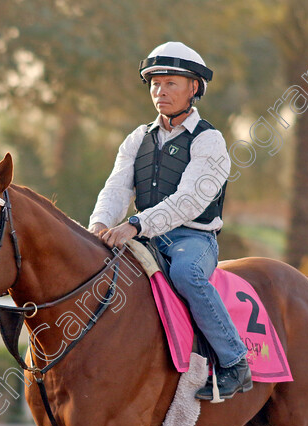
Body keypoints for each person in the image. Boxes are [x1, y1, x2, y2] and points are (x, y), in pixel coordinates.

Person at [88, 42, 251, 401]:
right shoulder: (137, 138)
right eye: (155, 84)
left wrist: (134, 224)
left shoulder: (210, 141)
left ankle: (234, 362)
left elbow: (189, 201)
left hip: (192, 239)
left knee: (185, 275)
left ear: (194, 88)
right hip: (144, 234)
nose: (160, 92)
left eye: (171, 84)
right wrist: (99, 224)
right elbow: (115, 186)